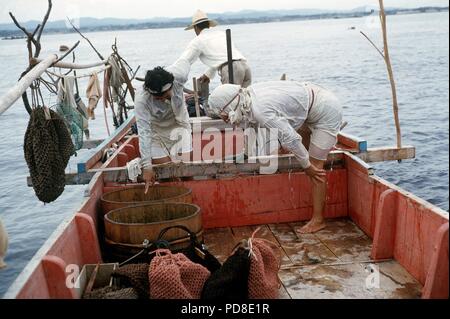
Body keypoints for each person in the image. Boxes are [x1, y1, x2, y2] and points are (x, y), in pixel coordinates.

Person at [208, 81, 343, 234]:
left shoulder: (260, 110)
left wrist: (307, 166)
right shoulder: (247, 97)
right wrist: (245, 153)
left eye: (222, 112)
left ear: (229, 103)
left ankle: (318, 220)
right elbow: (250, 125)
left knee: (315, 167)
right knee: (303, 153)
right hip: (308, 107)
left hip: (326, 109)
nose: (223, 117)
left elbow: (291, 138)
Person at [135, 58, 193, 190]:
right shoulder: (141, 100)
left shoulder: (180, 74)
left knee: (187, 172)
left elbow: (190, 56)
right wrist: (147, 167)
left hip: (180, 125)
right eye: (157, 98)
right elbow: (143, 131)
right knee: (166, 176)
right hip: (156, 131)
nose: (161, 100)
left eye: (164, 96)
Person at [180, 9, 252, 88]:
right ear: (208, 25)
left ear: (196, 27)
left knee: (231, 99)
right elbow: (222, 58)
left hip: (231, 70)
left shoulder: (198, 40)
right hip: (245, 66)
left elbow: (184, 61)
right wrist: (208, 75)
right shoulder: (221, 34)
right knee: (244, 98)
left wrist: (170, 75)